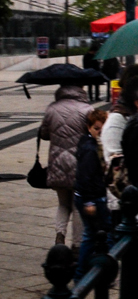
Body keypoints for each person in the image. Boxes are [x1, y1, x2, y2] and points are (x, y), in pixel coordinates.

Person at [39, 85, 90, 248]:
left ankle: (59, 236)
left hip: (57, 163)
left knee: (62, 204)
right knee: (77, 205)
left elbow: (44, 134)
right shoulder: (87, 109)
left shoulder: (52, 108)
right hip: (79, 164)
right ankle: (76, 244)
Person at [74, 108, 110, 281]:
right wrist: (89, 201)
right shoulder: (90, 149)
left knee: (94, 234)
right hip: (91, 196)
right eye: (97, 129)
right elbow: (85, 176)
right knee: (98, 233)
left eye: (103, 130)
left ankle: (86, 272)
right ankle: (89, 272)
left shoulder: (91, 145)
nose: (99, 133)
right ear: (89, 127)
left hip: (90, 195)